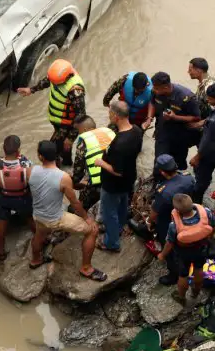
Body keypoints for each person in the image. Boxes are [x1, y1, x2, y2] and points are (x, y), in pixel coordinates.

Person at [28, 140, 107, 280]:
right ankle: (86, 268)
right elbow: (75, 203)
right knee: (92, 231)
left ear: (40, 157)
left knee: (39, 236)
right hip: (55, 219)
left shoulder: (30, 171)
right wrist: (88, 219)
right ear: (57, 156)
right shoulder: (63, 177)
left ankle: (35, 260)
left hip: (38, 216)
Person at [95, 100, 144, 252]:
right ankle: (122, 226)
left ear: (116, 116)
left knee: (110, 213)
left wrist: (101, 163)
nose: (108, 115)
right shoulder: (136, 130)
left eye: (110, 113)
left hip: (113, 184)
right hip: (129, 178)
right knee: (123, 204)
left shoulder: (120, 144)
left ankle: (111, 243)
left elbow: (117, 170)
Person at [17, 60, 86, 165]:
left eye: (54, 83)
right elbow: (47, 81)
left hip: (67, 126)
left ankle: (56, 171)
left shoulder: (75, 90)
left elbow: (81, 116)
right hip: (57, 121)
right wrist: (31, 90)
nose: (52, 83)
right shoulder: (56, 77)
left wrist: (70, 138)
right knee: (64, 148)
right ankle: (67, 164)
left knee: (50, 151)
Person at [157, 194, 215, 304]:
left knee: (183, 274)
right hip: (201, 249)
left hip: (184, 254)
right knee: (199, 269)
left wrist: (162, 255)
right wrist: (208, 239)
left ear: (177, 210)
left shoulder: (174, 226)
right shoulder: (206, 213)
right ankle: (195, 293)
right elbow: (213, 228)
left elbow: (169, 243)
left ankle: (181, 297)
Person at [150, 154, 196, 285]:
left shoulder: (164, 191)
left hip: (169, 221)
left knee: (170, 247)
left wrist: (149, 221)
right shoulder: (188, 178)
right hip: (188, 214)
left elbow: (154, 213)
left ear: (162, 172)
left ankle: (173, 274)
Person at [151, 71, 201, 174]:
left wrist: (175, 117)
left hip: (181, 136)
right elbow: (151, 103)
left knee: (178, 165)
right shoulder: (155, 92)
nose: (153, 90)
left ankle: (178, 185)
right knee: (159, 163)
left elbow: (196, 118)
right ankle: (158, 184)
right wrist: (149, 118)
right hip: (163, 132)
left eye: (156, 88)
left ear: (165, 87)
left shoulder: (186, 97)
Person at [71, 115, 115, 211]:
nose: (79, 134)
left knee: (79, 208)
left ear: (85, 130)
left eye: (79, 131)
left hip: (99, 182)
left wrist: (73, 182)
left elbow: (78, 170)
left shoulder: (84, 141)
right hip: (118, 177)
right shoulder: (109, 131)